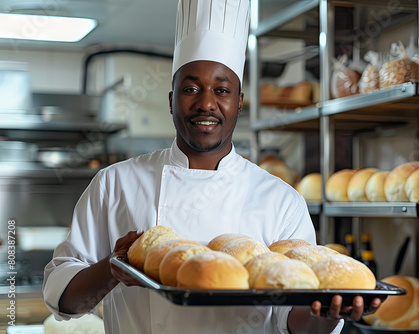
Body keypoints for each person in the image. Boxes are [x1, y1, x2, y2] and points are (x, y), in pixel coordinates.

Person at [43, 0, 381, 333]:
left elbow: (292, 321)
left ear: (238, 103)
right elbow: (62, 296)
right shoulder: (115, 184)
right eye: (191, 88)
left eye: (221, 89)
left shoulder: (280, 199)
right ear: (172, 99)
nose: (206, 103)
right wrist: (113, 267)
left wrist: (331, 314)